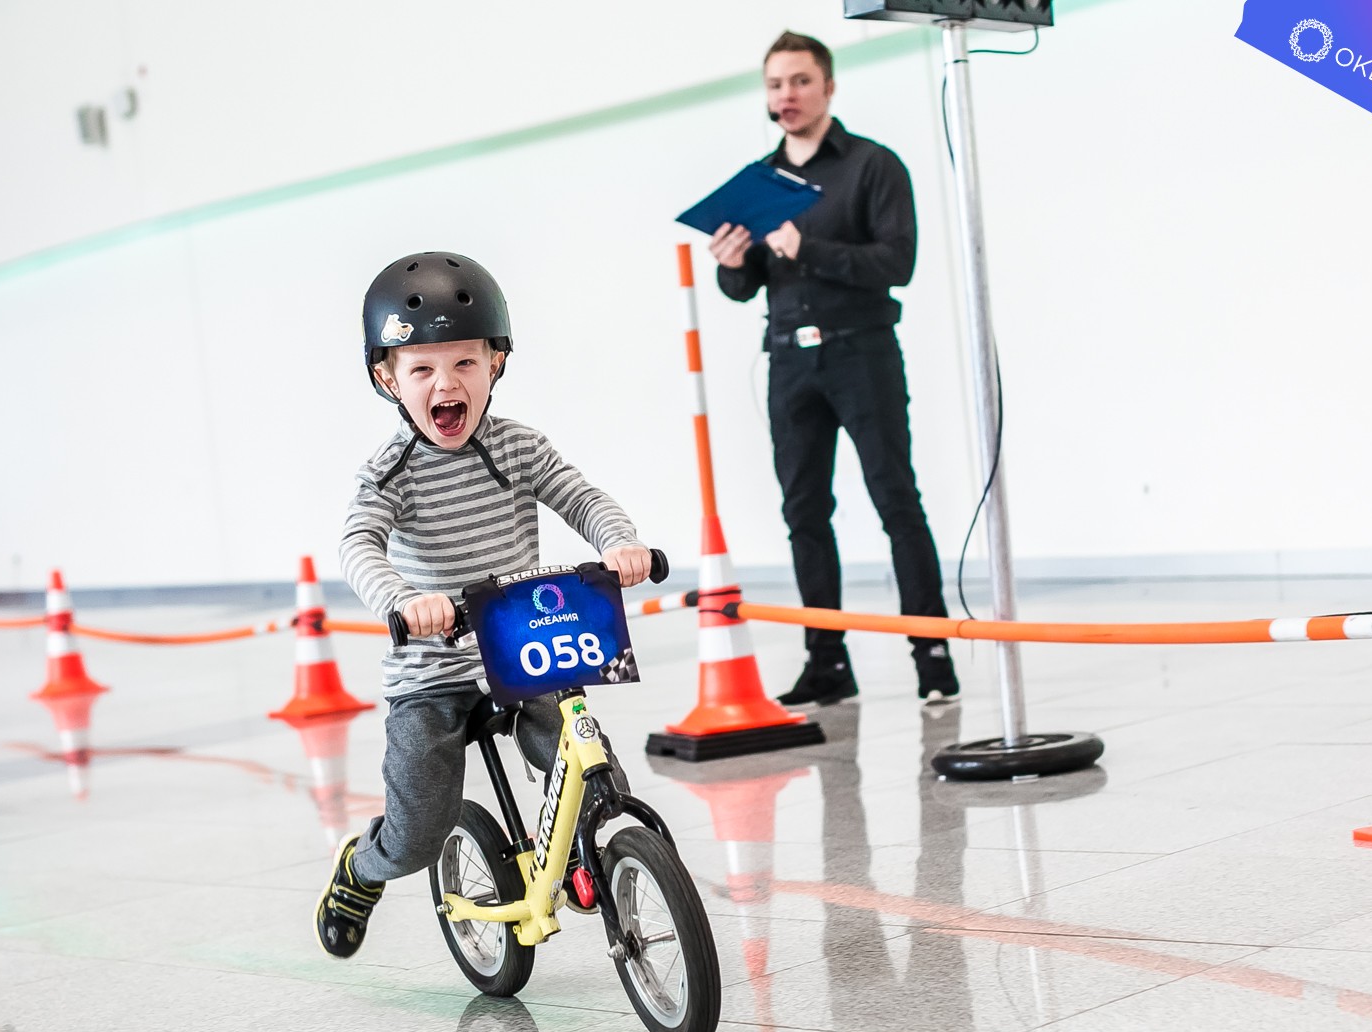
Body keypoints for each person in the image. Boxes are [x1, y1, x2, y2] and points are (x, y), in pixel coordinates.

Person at [318, 252, 652, 959]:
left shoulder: (519, 448)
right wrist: (405, 601)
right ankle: (363, 867)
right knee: (418, 832)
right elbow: (358, 544)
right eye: (421, 370)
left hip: (521, 648)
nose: (446, 384)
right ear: (388, 379)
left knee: (586, 763)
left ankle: (590, 855)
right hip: (433, 670)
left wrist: (620, 543)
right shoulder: (390, 472)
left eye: (465, 364)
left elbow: (581, 498)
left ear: (495, 364)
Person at [710, 30, 958, 707]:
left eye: (799, 81)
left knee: (895, 498)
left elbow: (897, 263)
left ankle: (932, 655)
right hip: (790, 361)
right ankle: (827, 663)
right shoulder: (759, 181)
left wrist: (808, 248)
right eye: (775, 84)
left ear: (828, 87)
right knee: (804, 512)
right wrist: (732, 264)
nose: (786, 95)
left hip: (861, 352)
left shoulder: (873, 165)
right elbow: (745, 286)